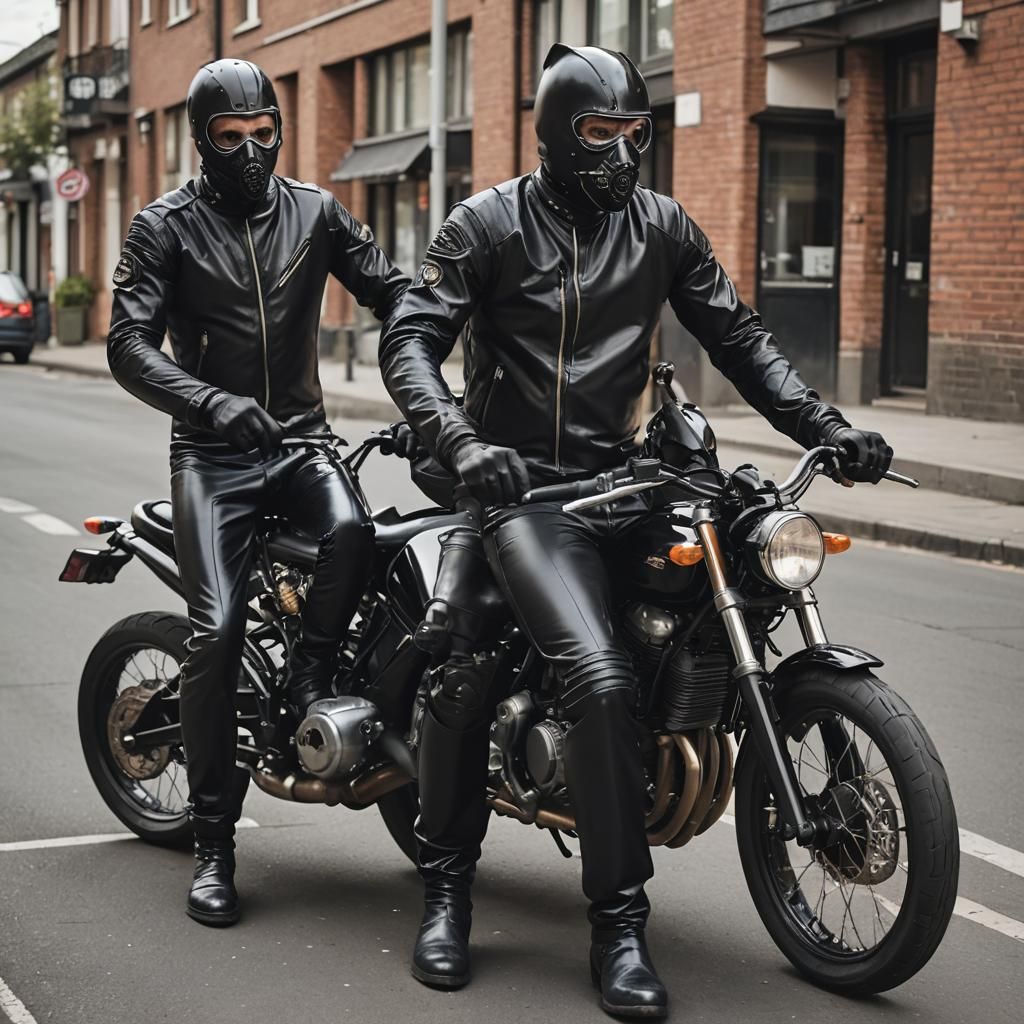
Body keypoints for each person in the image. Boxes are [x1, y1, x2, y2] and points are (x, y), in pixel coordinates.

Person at [379, 44, 893, 1019]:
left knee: (730, 580)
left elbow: (739, 336)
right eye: (598, 133)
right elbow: (410, 339)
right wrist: (456, 435)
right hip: (523, 489)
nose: (619, 153)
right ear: (554, 133)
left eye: (633, 133)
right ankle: (578, 914)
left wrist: (825, 426)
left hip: (631, 478)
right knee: (596, 672)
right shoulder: (485, 225)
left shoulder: (660, 226)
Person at [107, 59, 409, 928]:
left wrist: (449, 358)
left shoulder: (316, 211)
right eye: (229, 138)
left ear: (280, 128)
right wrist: (210, 402)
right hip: (212, 455)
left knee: (359, 534)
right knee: (218, 631)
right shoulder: (163, 226)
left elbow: (395, 294)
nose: (250, 151)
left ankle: (312, 672)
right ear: (200, 140)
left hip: (303, 441)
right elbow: (130, 345)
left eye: (263, 133)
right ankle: (213, 846)